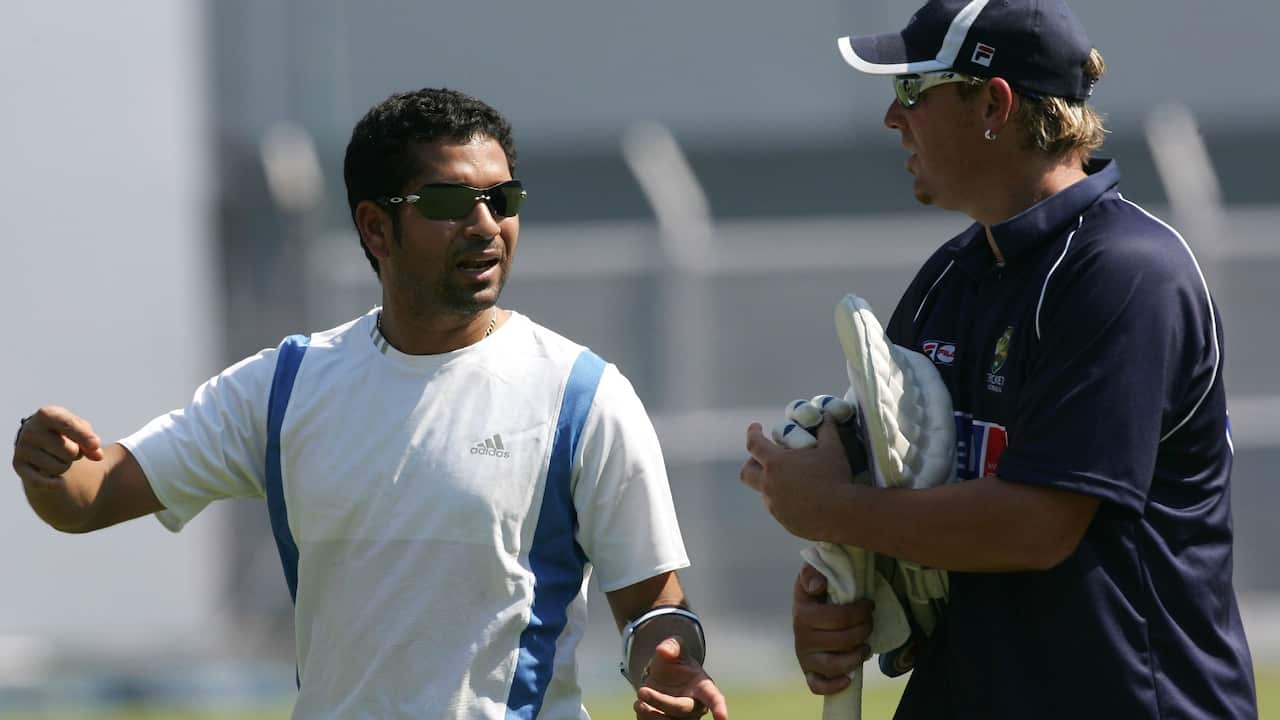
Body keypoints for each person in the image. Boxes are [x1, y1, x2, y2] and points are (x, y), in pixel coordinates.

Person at [13, 88, 727, 720]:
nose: (486, 225)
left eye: (502, 199)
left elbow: (654, 606)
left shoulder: (583, 393)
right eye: (450, 203)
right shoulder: (286, 385)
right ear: (374, 228)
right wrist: (46, 468)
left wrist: (673, 665)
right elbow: (90, 498)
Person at [739, 1, 1258, 717]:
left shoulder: (1126, 271)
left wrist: (835, 511)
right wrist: (844, 597)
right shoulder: (954, 274)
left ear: (993, 102)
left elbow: (1038, 525)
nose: (893, 118)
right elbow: (905, 485)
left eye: (913, 91)